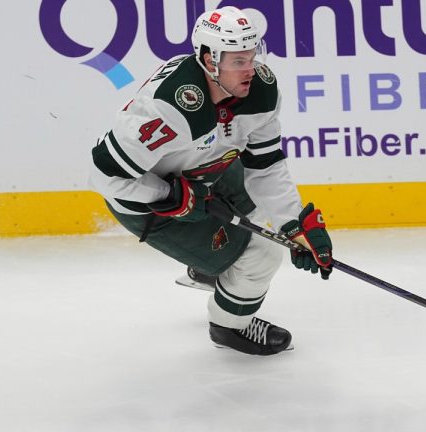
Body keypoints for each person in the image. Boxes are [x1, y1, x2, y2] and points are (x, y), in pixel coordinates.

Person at [89, 6, 333, 355]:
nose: (251, 69)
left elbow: (264, 165)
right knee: (262, 256)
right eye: (238, 61)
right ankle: (229, 326)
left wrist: (294, 224)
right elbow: (105, 175)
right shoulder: (171, 107)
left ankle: (209, 267)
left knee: (254, 213)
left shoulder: (261, 90)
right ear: (209, 61)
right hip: (144, 202)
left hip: (204, 170)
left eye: (252, 56)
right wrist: (170, 195)